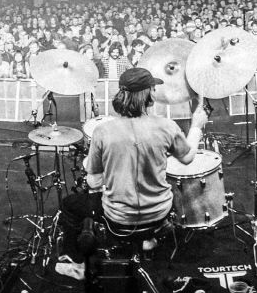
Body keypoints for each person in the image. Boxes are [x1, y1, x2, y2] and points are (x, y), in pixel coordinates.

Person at [56, 67, 208, 280]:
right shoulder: (167, 127)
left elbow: (93, 181)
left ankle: (78, 265)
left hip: (118, 220)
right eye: (154, 88)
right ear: (150, 94)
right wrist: (196, 127)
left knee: (70, 205)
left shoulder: (102, 132)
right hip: (159, 213)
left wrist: (115, 171)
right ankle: (148, 239)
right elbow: (187, 157)